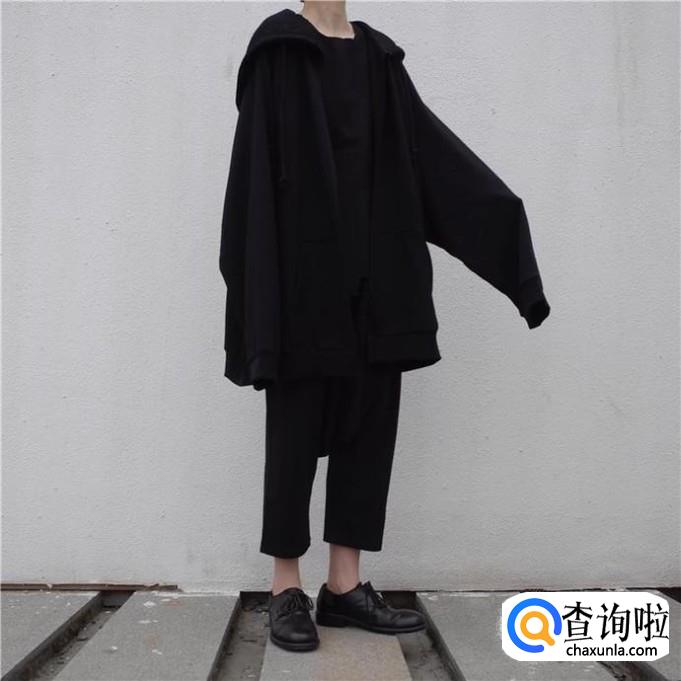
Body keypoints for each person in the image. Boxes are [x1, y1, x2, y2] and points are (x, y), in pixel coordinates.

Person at [219, 0, 550, 652]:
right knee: (293, 434)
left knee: (368, 434)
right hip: (303, 287)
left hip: (379, 286)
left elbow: (434, 163)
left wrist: (510, 252)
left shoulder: (379, 61)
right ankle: (285, 587)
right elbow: (251, 178)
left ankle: (343, 586)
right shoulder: (278, 51)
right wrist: (255, 293)